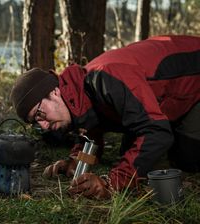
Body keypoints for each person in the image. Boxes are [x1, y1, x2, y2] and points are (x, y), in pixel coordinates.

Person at [10, 35, 200, 199]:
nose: (43, 126)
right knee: (134, 151)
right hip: (167, 96)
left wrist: (111, 183)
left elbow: (157, 133)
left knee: (186, 159)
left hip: (194, 69)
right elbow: (93, 127)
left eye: (39, 114)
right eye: (36, 122)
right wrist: (77, 160)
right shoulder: (80, 92)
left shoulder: (107, 79)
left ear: (54, 93)